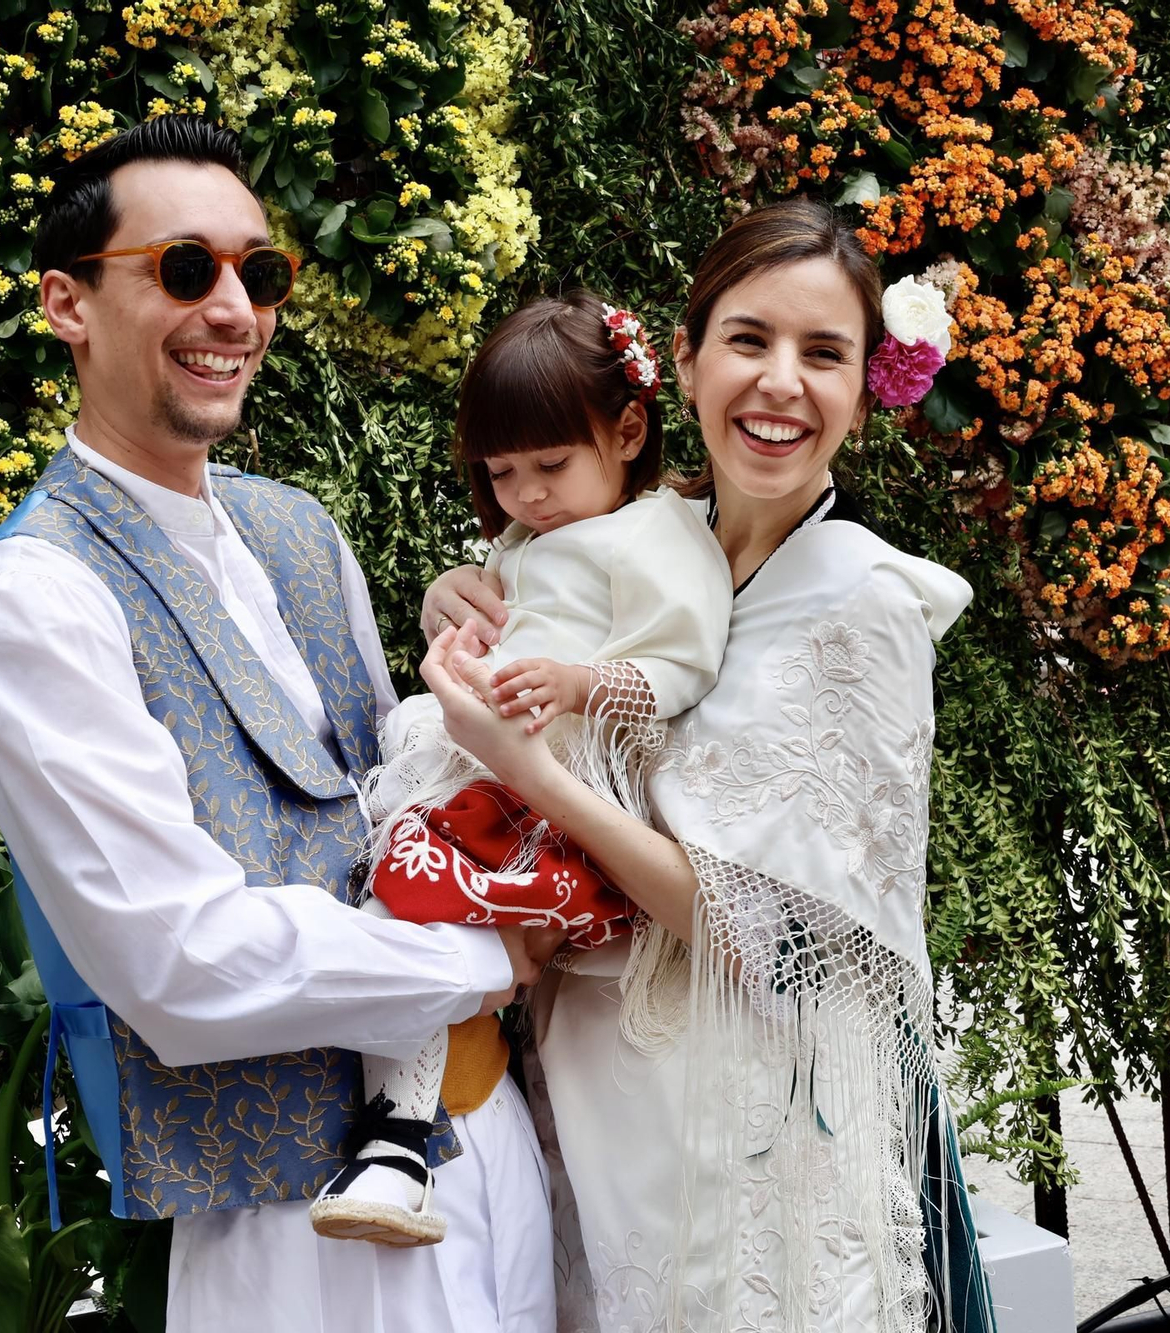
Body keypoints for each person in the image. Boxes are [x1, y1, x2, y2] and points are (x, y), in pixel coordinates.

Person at [0, 116, 552, 1333]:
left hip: (491, 1154)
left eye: (257, 274)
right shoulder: (30, 601)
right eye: (183, 268)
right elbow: (179, 961)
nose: (232, 309)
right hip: (295, 1227)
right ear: (66, 303)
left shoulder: (297, 531)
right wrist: (488, 958)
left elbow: (404, 812)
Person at [421, 195, 998, 1332]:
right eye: (748, 340)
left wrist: (527, 769)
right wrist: (470, 602)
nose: (780, 381)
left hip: (748, 1138)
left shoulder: (857, 603)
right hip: (595, 1098)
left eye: (821, 352)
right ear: (683, 364)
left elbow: (763, 933)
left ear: (860, 391)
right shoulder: (636, 539)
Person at [308, 292, 733, 1248]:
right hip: (491, 772)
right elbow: (494, 602)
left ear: (629, 429)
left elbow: (681, 670)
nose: (529, 493)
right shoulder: (534, 534)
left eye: (551, 464)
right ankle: (400, 1137)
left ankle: (397, 1141)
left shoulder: (661, 536)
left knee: (411, 909)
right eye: (503, 472)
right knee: (400, 904)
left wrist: (580, 681)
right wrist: (441, 601)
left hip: (552, 791)